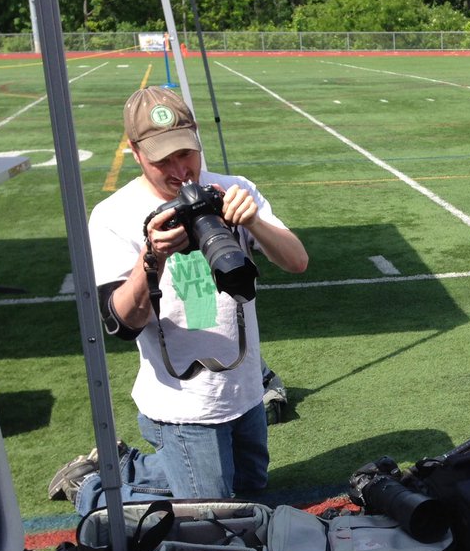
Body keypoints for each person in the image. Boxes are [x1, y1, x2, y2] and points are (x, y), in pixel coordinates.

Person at [49, 86, 309, 514]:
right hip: (183, 403)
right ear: (135, 152)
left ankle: (128, 464)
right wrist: (150, 259)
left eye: (185, 153)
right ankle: (92, 487)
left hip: (242, 389)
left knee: (251, 486)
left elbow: (297, 261)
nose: (179, 170)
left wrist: (254, 221)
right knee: (216, 514)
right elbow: (119, 323)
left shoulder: (234, 189)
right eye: (161, 159)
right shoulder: (114, 215)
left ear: (197, 137)